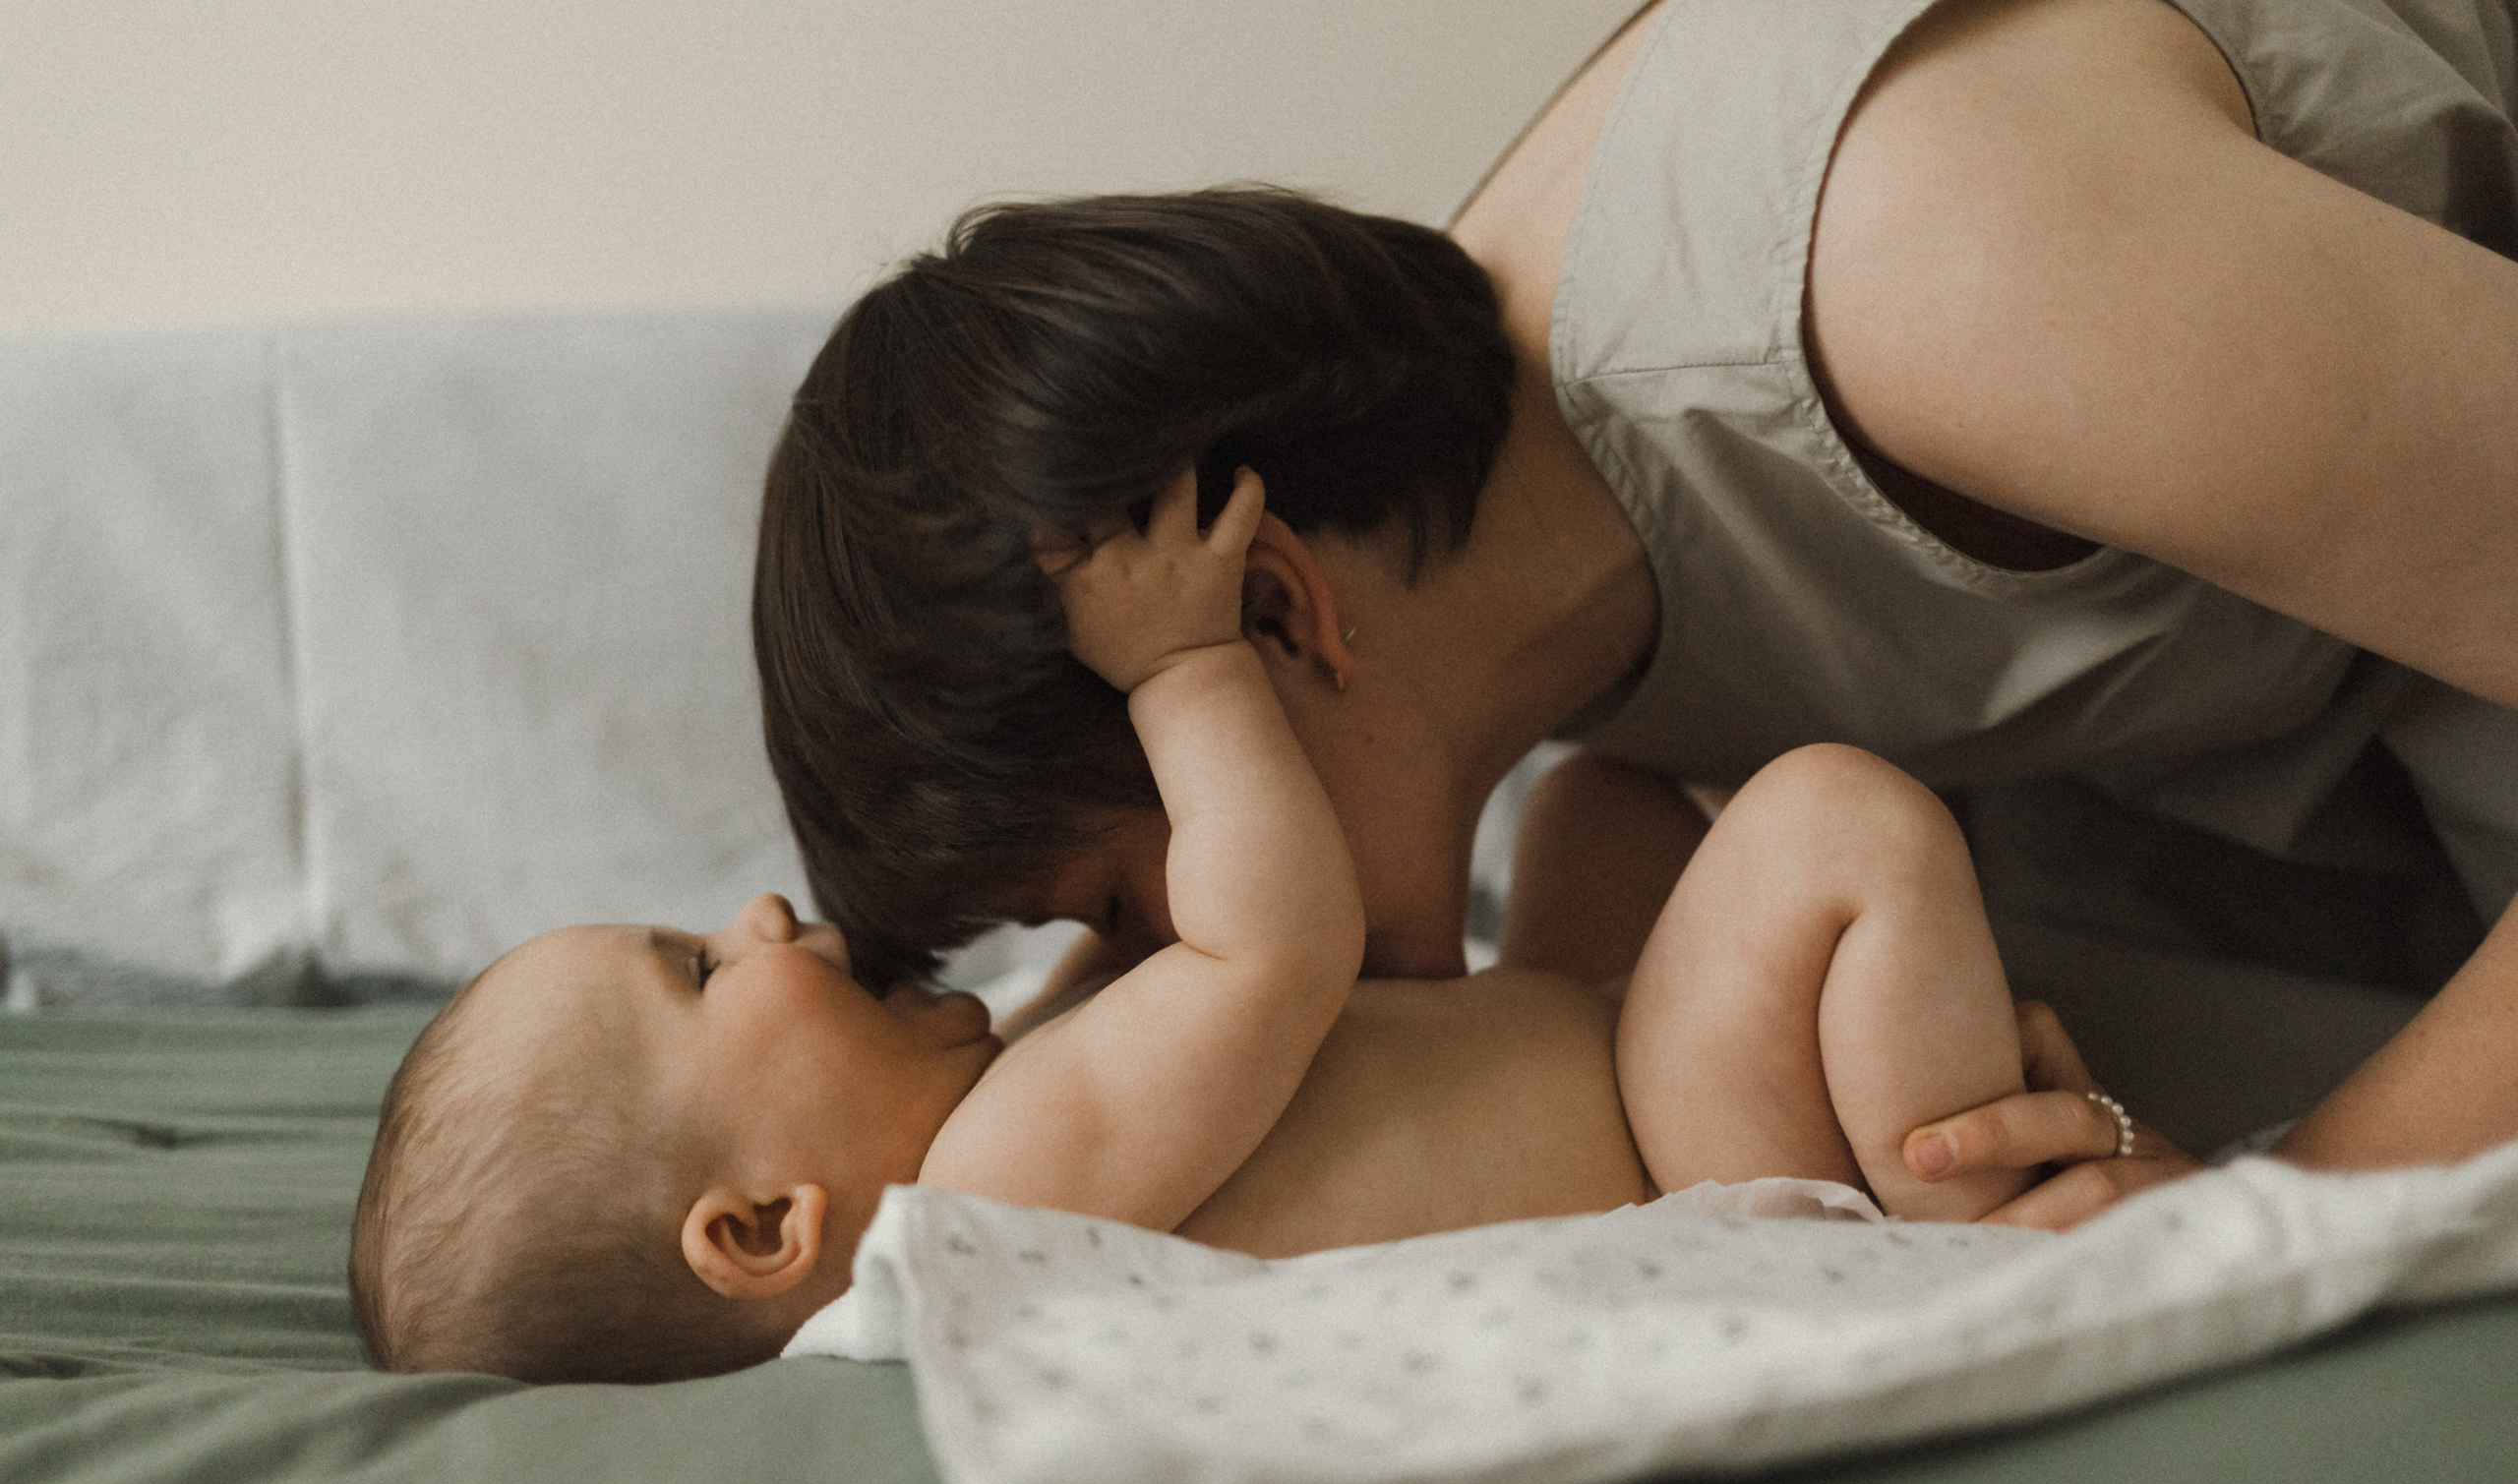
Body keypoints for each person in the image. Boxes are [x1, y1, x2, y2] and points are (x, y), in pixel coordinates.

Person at [753, 0, 2518, 1230]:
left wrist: (2278, 1231)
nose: (1144, 996)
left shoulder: (1920, 265)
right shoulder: (1536, 607)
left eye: (1125, 908)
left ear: (1269, 614)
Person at [350, 470, 2083, 1384]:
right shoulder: (991, 1193)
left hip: (1587, 1045)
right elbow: (1269, 949)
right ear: (759, 1229)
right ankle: (1994, 1224)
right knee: (1834, 819)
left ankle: (1933, 1105)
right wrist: (1180, 668)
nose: (761, 913)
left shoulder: (1021, 1100)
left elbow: (1175, 977)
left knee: (1601, 799)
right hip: (1683, 1156)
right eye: (704, 969)